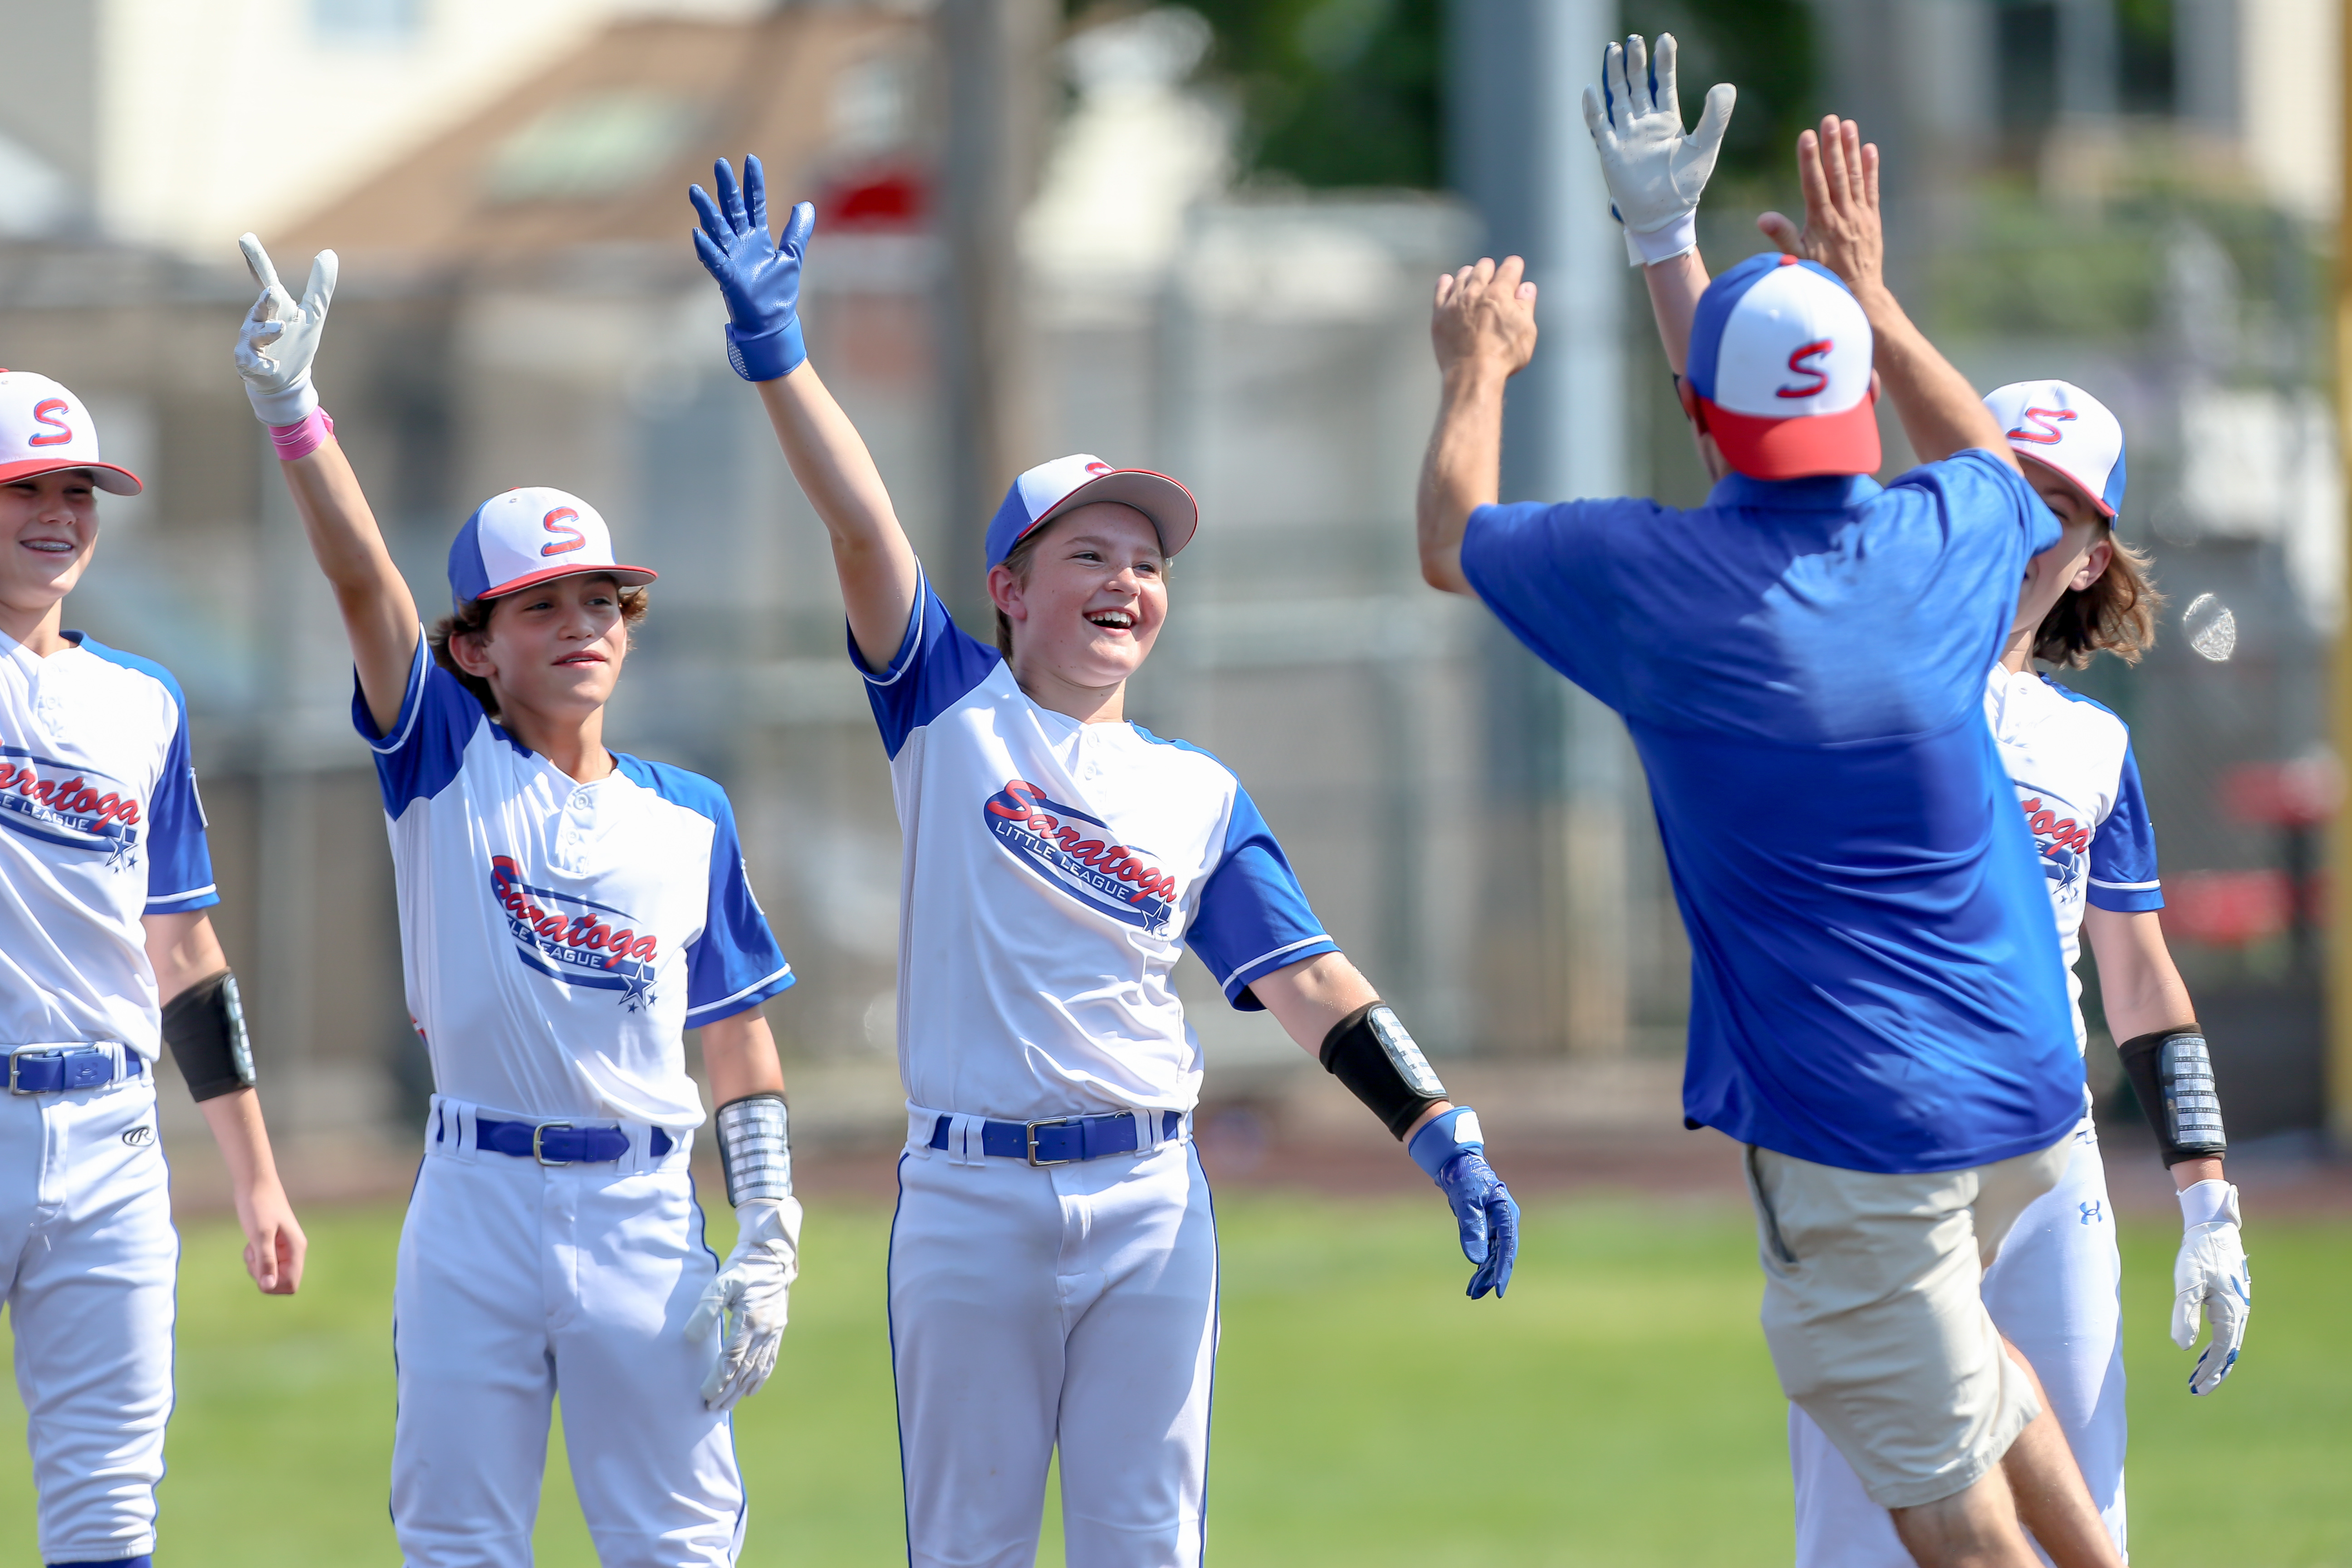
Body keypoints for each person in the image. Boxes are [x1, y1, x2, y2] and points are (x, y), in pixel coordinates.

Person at [684, 154, 1519, 1568]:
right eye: (1087, 552)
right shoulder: (951, 712)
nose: (1125, 579)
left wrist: (1443, 1131)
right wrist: (780, 358)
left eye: (1146, 558)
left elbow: (1311, 981)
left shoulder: (1196, 795)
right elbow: (862, 526)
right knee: (972, 1548)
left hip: (1147, 1204)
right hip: (967, 1202)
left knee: (1146, 1547)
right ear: (1009, 589)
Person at [1423, 40, 2089, 1568]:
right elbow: (1981, 452)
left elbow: (1455, 536)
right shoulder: (1947, 540)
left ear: (1710, 424)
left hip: (1856, 1111)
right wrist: (1861, 285)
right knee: (1972, 1379)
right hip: (2023, 1082)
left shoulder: (1665, 587)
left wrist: (1480, 364)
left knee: (1939, 1484)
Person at [229, 235, 799, 1568]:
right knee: (459, 1544)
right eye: (539, 607)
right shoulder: (445, 760)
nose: (583, 623)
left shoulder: (690, 815)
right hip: (475, 1202)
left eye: (603, 599)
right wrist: (294, 417)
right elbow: (366, 583)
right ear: (475, 648)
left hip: (644, 1214)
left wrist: (769, 1229)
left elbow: (739, 1036)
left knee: (677, 1547)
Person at [1788, 378, 2254, 1565]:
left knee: (2083, 1524)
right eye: (2006, 488)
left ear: (2097, 554)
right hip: (1877, 1155)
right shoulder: (1861, 681)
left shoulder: (2095, 747)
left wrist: (2208, 1200)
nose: (2030, 528)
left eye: (2062, 507)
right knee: (1863, 1532)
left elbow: (2139, 978)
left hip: (2052, 1169)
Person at [0, 367, 307, 1568]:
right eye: (28, 485)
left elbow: (183, 950)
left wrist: (258, 1177)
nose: (60, 513)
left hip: (113, 1139)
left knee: (111, 1506)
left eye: (80, 489)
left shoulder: (143, 703)